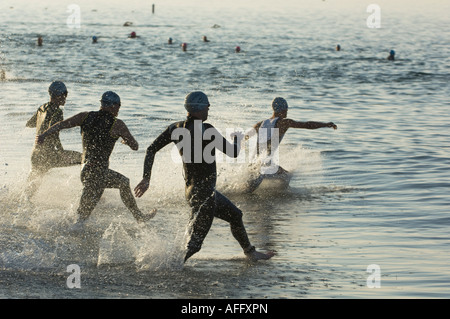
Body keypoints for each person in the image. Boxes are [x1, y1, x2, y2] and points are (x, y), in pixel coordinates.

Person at [134, 91, 275, 263]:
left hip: (193, 191)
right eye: (207, 106)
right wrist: (237, 139)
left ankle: (250, 252)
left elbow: (151, 149)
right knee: (195, 244)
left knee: (235, 215)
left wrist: (146, 178)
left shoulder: (175, 128)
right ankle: (166, 265)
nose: (209, 109)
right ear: (200, 108)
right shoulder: (207, 130)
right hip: (205, 194)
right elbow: (233, 152)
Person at [36, 91, 155, 225]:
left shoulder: (85, 116)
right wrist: (126, 141)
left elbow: (62, 124)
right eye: (119, 106)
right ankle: (138, 217)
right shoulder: (117, 124)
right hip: (98, 173)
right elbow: (135, 146)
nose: (119, 109)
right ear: (112, 106)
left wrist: (43, 135)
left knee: (82, 216)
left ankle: (61, 230)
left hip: (85, 171)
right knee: (123, 183)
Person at [241, 97, 337, 193]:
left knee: (284, 175)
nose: (287, 112)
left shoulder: (261, 123)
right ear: (283, 109)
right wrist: (325, 124)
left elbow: (245, 137)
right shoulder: (284, 122)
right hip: (264, 165)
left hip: (253, 163)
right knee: (246, 192)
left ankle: (278, 194)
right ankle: (281, 196)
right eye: (286, 110)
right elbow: (306, 125)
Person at [25, 81, 82, 197]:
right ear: (59, 95)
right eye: (65, 95)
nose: (66, 98)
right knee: (85, 159)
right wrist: (61, 152)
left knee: (33, 185)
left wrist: (42, 124)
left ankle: (22, 202)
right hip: (48, 155)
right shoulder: (57, 112)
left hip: (36, 154)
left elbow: (30, 124)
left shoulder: (42, 108)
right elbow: (54, 135)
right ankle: (93, 192)